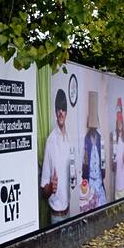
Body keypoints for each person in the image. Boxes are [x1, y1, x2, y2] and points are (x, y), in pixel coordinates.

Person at [41, 89, 73, 224]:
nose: (61, 112)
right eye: (58, 109)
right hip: (56, 216)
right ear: (55, 112)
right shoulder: (51, 141)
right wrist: (51, 188)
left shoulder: (70, 139)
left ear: (66, 113)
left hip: (69, 211)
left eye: (63, 109)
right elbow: (43, 189)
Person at [82, 90, 107, 206]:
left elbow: (103, 162)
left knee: (102, 204)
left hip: (99, 180)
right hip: (90, 181)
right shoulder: (86, 139)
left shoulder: (100, 138)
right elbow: (85, 161)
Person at [111, 98, 124, 199]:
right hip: (117, 182)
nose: (119, 124)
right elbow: (113, 168)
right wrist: (113, 158)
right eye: (118, 121)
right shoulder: (114, 138)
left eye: (121, 122)